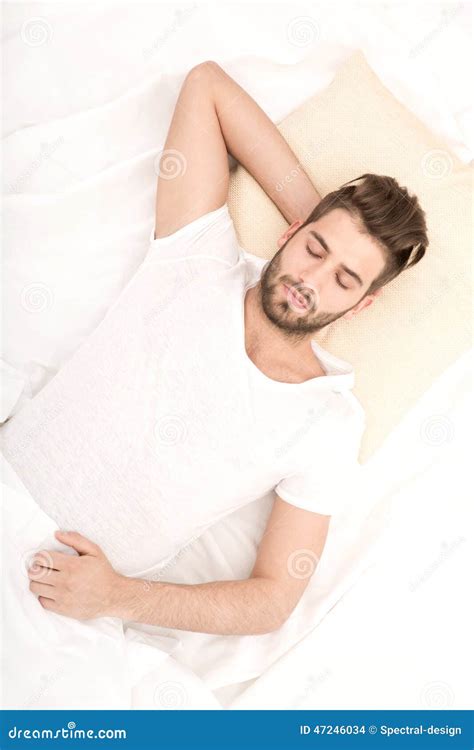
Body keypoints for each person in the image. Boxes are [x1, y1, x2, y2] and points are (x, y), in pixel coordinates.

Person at [0, 61, 428, 636]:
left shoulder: (328, 422)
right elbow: (207, 86)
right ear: (290, 231)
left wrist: (119, 597)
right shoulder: (197, 255)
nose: (312, 280)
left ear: (362, 306)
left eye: (346, 280)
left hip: (66, 611)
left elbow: (273, 599)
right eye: (314, 249)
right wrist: (319, 219)